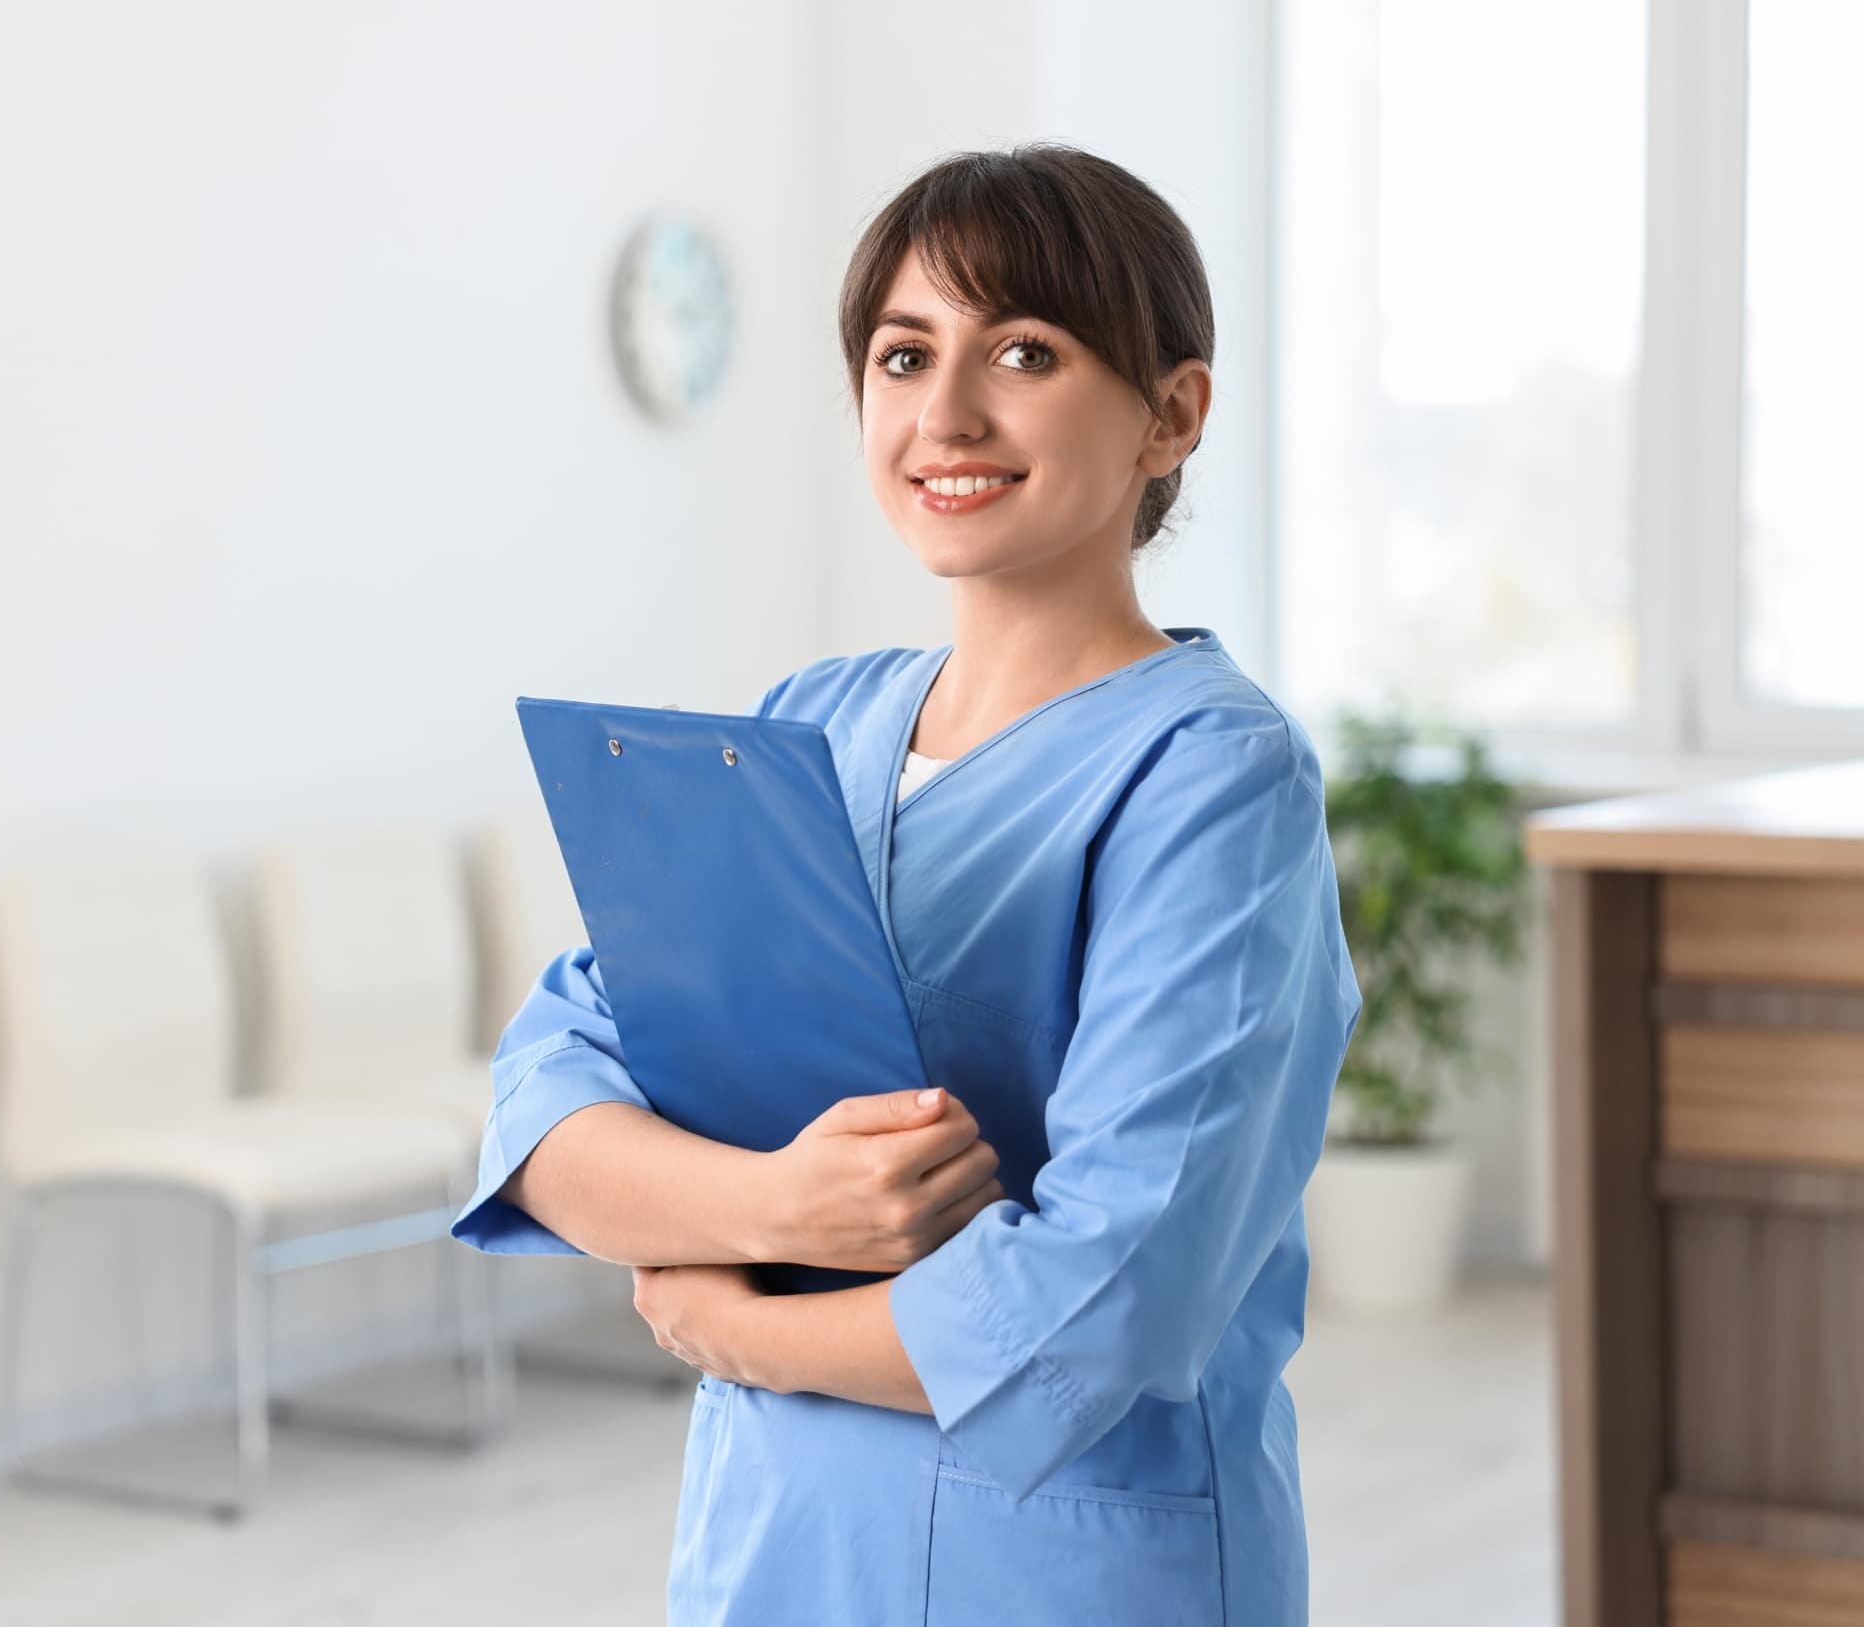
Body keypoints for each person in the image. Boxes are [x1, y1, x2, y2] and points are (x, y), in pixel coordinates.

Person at [450, 143, 1363, 1626]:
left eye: (1023, 350)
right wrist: (785, 1204)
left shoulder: (1211, 779)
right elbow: (548, 1099)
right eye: (900, 354)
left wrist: (739, 1323)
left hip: (1061, 1566)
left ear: (1171, 413)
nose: (946, 414)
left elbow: (1110, 1290)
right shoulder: (810, 722)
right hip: (774, 1551)